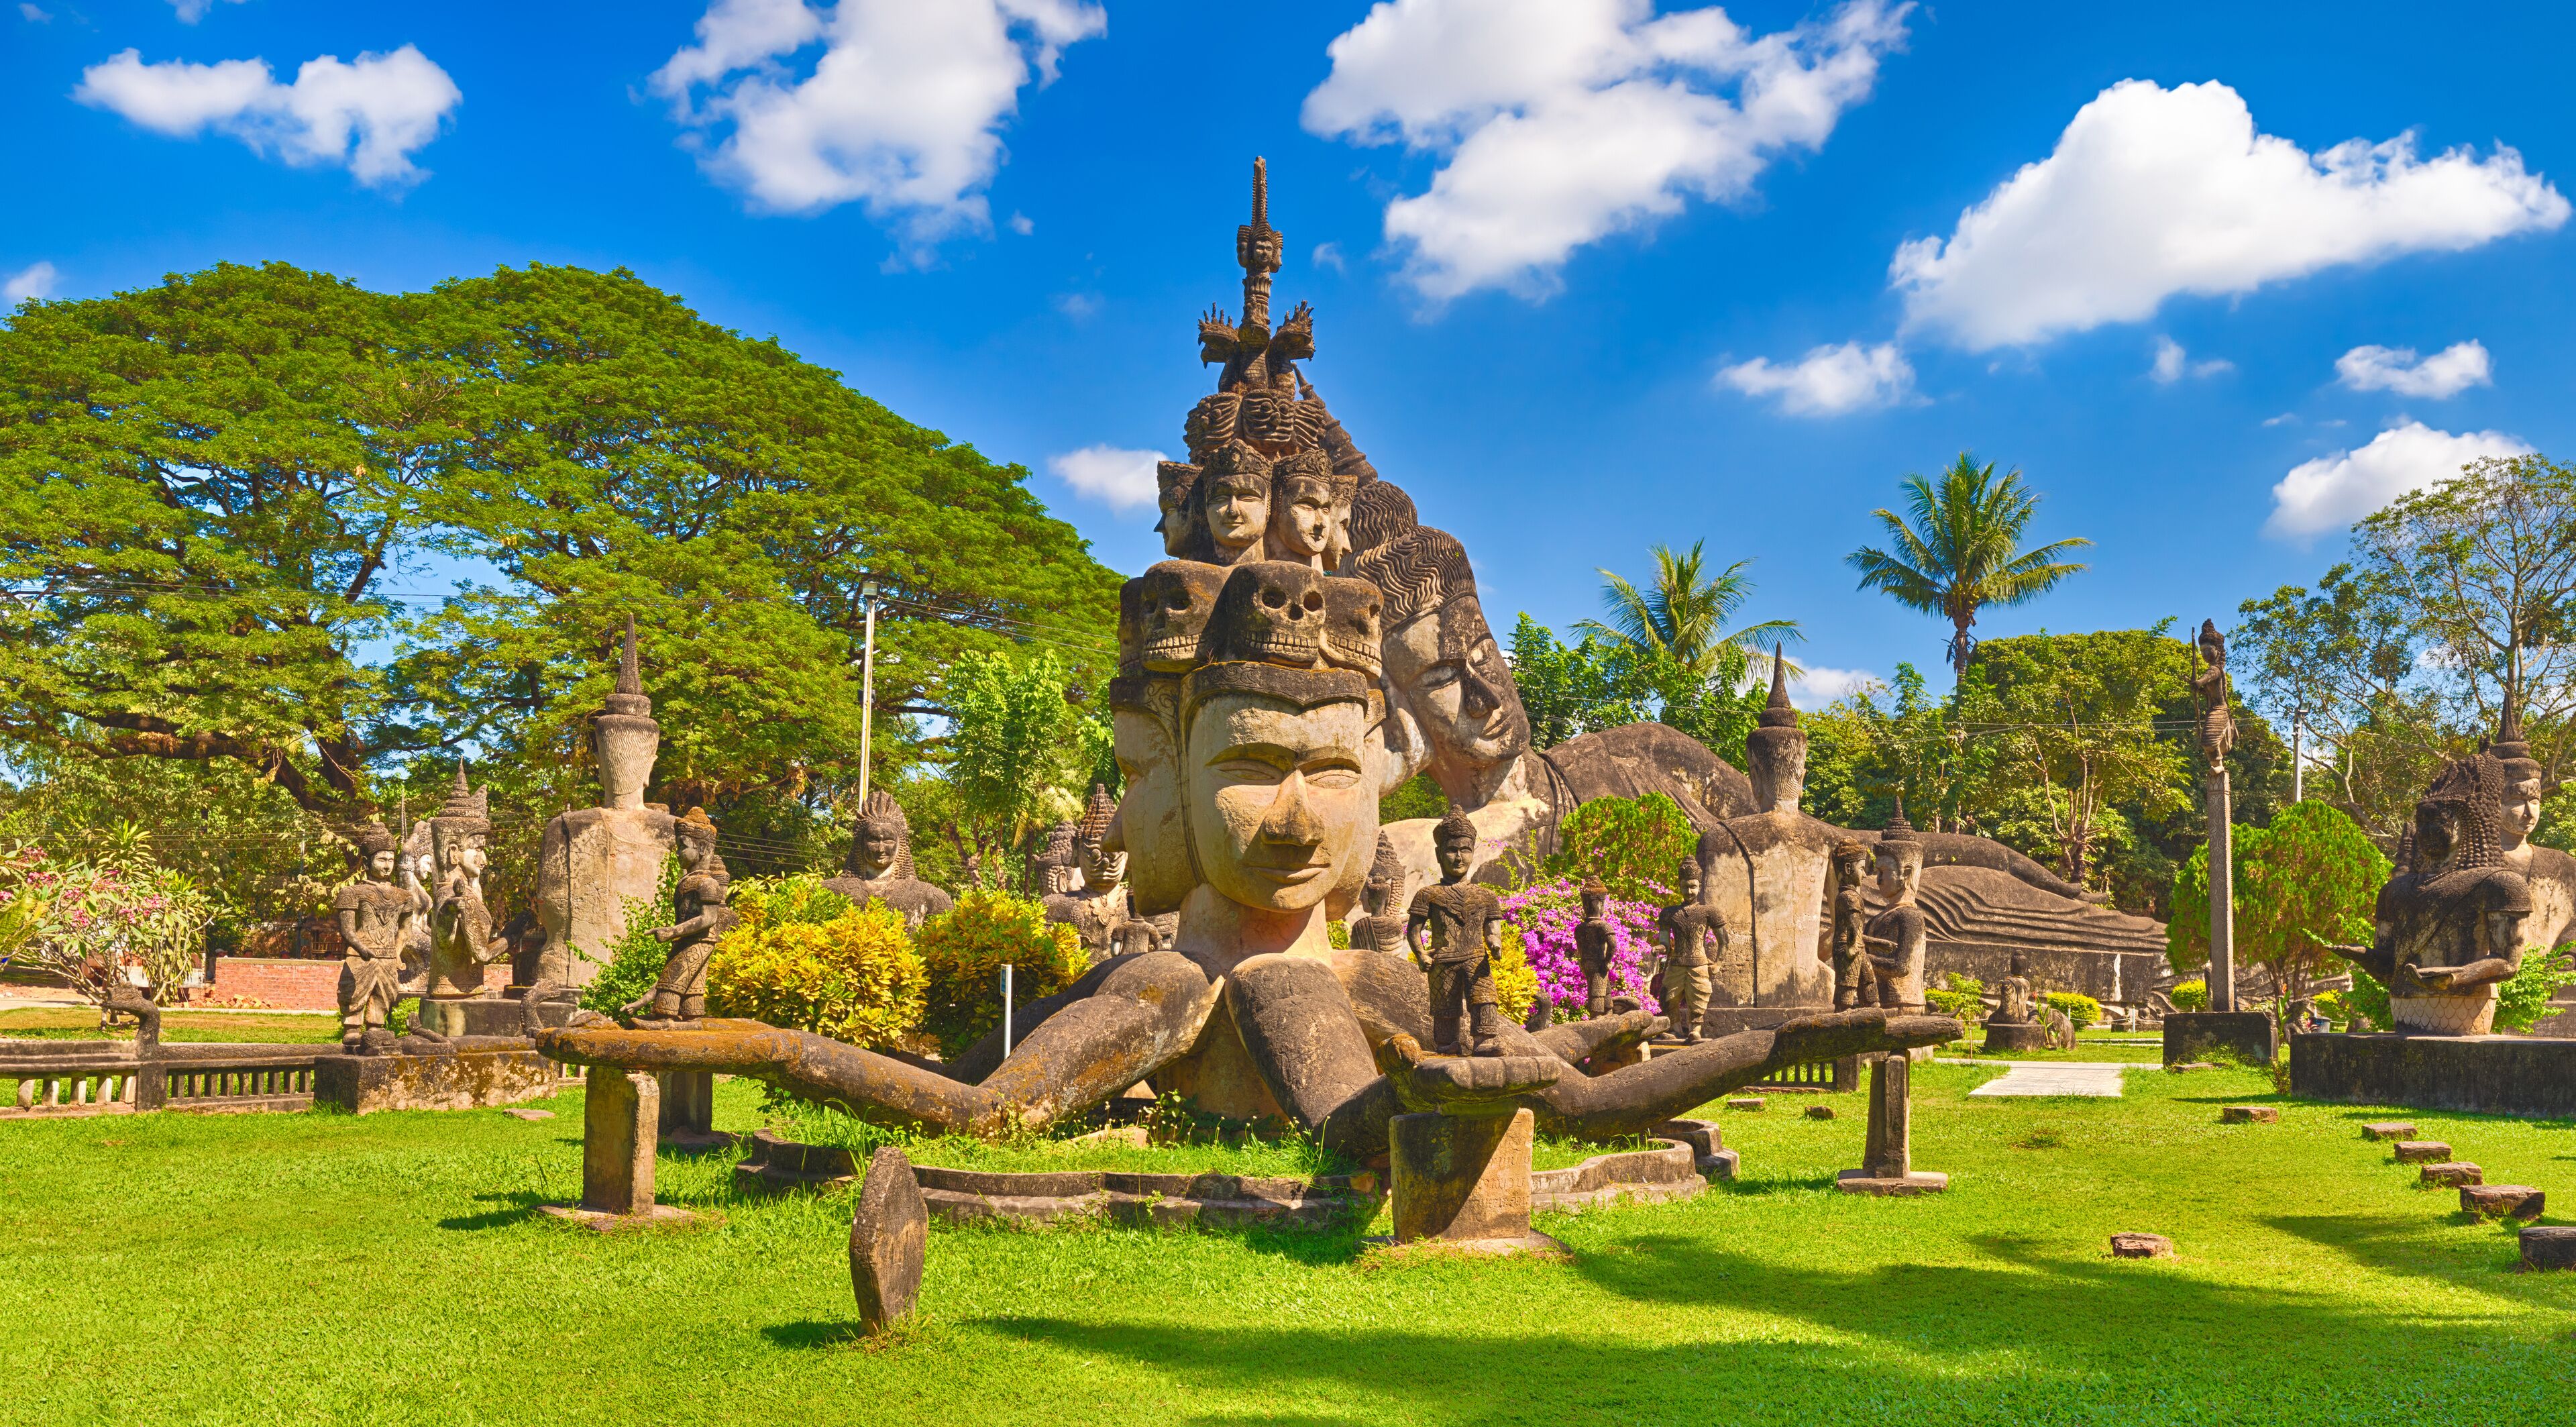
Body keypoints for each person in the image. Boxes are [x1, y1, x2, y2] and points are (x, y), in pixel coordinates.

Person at [1407, 806, 1509, 1056]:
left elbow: (1492, 928)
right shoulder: (1428, 895)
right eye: (1452, 850)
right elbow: (1413, 931)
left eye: (1465, 850)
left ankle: (1484, 1041)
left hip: (1476, 959)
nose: (1458, 857)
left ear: (1473, 853)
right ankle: (1447, 1045)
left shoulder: (1486, 896)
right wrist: (1421, 954)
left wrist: (1495, 943)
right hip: (1444, 961)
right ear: (1439, 854)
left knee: (1484, 997)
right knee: (1445, 1008)